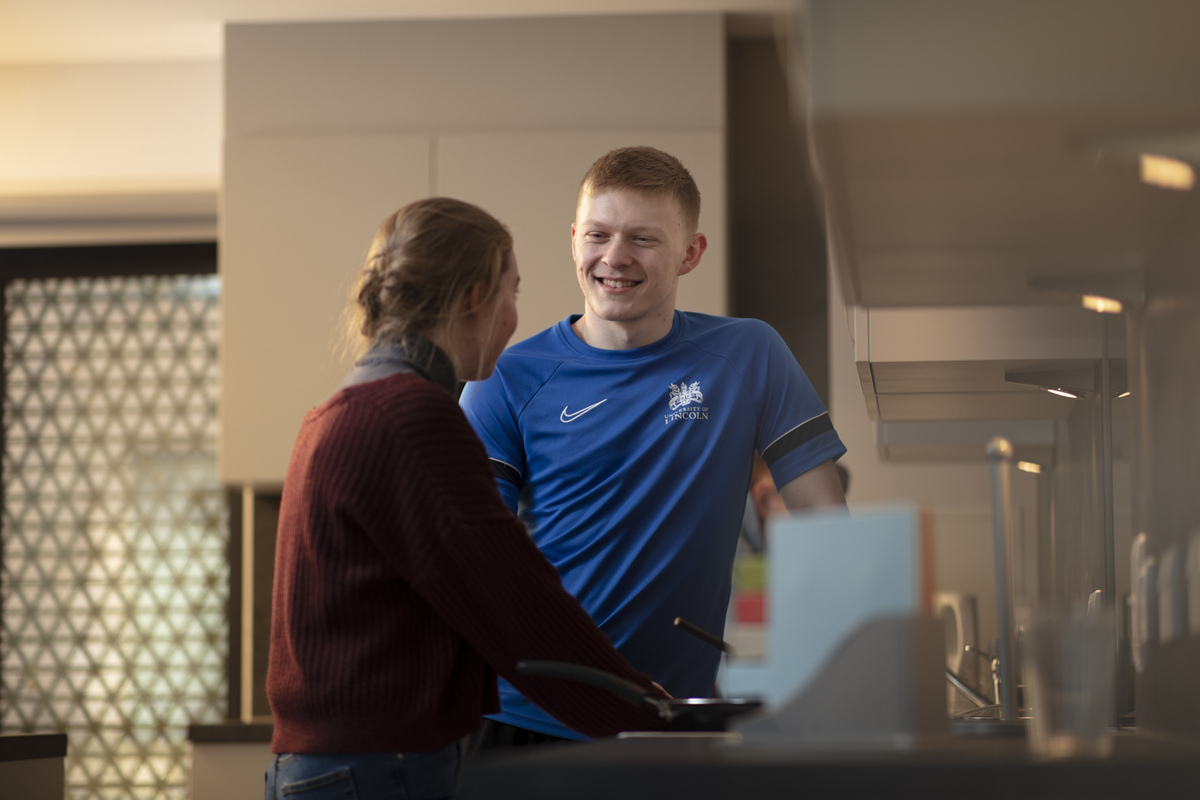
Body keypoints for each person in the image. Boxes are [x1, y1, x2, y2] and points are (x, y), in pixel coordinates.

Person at [264, 198, 667, 800]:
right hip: (380, 769)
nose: (513, 319)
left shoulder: (337, 411)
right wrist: (650, 716)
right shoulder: (413, 417)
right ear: (475, 298)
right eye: (513, 293)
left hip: (320, 767)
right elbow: (513, 602)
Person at [459, 146, 848, 747]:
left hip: (675, 723)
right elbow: (477, 569)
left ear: (690, 253)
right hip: (531, 717)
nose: (614, 258)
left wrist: (848, 676)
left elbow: (830, 530)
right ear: (572, 241)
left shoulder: (749, 355)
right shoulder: (505, 379)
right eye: (598, 235)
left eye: (643, 239)